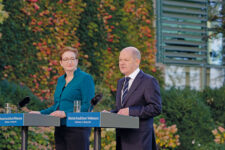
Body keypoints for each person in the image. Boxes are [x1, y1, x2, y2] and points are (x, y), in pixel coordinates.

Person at [30, 47, 95, 150]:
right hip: (60, 127)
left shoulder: (85, 78)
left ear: (77, 61)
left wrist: (65, 113)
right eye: (66, 59)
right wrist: (40, 113)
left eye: (72, 59)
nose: (69, 62)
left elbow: (88, 106)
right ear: (61, 63)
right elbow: (57, 106)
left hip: (77, 128)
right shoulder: (60, 80)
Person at [113, 46, 162, 150]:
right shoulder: (120, 82)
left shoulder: (148, 81)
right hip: (122, 140)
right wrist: (110, 114)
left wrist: (131, 111)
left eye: (126, 60)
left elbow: (156, 108)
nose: (122, 63)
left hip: (140, 141)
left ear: (137, 61)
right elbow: (121, 109)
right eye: (120, 60)